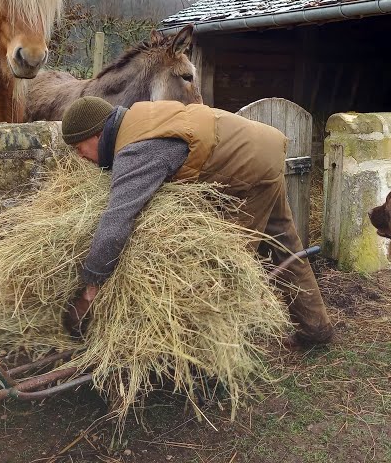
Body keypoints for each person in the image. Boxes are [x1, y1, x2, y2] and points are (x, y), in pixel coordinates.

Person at [58, 96, 334, 348]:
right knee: (286, 245)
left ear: (97, 134)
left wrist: (91, 287)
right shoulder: (139, 117)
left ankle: (213, 359)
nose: (80, 156)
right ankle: (316, 330)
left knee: (222, 268)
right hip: (262, 150)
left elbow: (117, 222)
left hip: (248, 170)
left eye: (79, 147)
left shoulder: (135, 150)